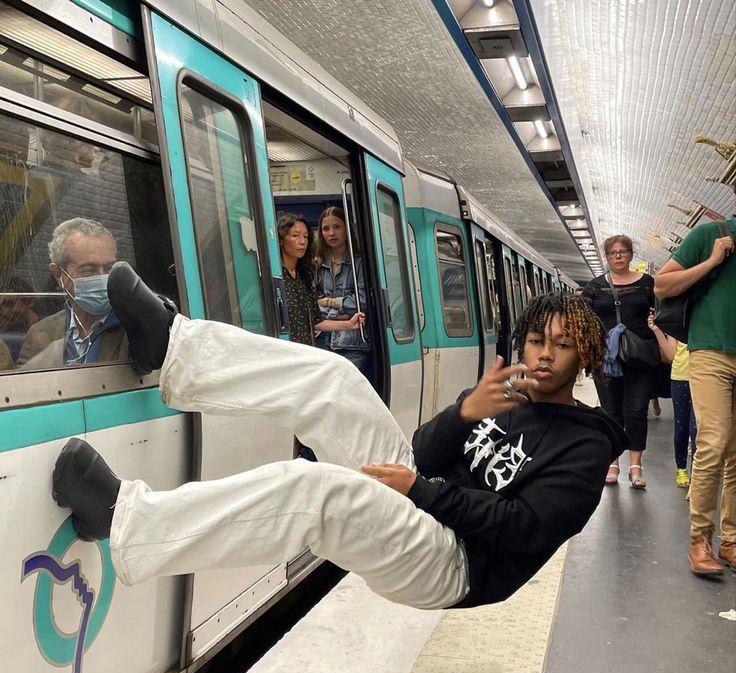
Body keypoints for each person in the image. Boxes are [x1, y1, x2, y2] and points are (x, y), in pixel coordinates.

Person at [51, 273, 627, 610]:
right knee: (335, 379)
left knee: (316, 490)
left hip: (457, 565)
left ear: (587, 355)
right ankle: (173, 347)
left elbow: (523, 531)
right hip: (425, 511)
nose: (543, 355)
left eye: (561, 344)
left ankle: (126, 525)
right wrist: (463, 413)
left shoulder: (586, 448)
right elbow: (419, 455)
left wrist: (420, 492)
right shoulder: (508, 401)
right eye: (534, 340)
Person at [654, 208, 735, 576]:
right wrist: (713, 261)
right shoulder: (709, 235)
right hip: (711, 351)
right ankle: (700, 538)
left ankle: (731, 540)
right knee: (714, 441)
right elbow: (661, 285)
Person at [582, 234, 657, 489]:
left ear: (630, 254)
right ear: (606, 256)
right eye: (613, 252)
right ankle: (613, 462)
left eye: (623, 251)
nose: (618, 256)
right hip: (605, 358)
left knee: (636, 412)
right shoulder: (594, 286)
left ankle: (636, 466)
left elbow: (662, 312)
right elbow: (583, 319)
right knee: (611, 413)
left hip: (640, 356)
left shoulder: (648, 284)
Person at [17, 217, 126, 368]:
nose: (102, 278)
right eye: (88, 270)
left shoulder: (135, 325)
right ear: (58, 274)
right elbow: (24, 387)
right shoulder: (41, 332)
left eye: (109, 268)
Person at [278, 212, 364, 348]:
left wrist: (348, 324)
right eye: (295, 236)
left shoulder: (305, 275)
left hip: (308, 351)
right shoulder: (275, 276)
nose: (302, 242)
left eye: (306, 237)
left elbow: (316, 321)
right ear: (281, 240)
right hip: (285, 352)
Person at [314, 206, 370, 375]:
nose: (331, 233)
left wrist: (328, 302)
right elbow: (311, 305)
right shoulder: (317, 264)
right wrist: (342, 313)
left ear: (347, 228)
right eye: (326, 228)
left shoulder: (360, 263)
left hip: (352, 344)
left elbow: (362, 302)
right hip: (321, 340)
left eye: (337, 226)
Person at [648, 315, 696, 489]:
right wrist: (657, 330)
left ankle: (697, 476)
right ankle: (682, 469)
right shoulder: (678, 317)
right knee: (682, 426)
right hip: (681, 377)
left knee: (697, 429)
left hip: (704, 377)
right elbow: (670, 354)